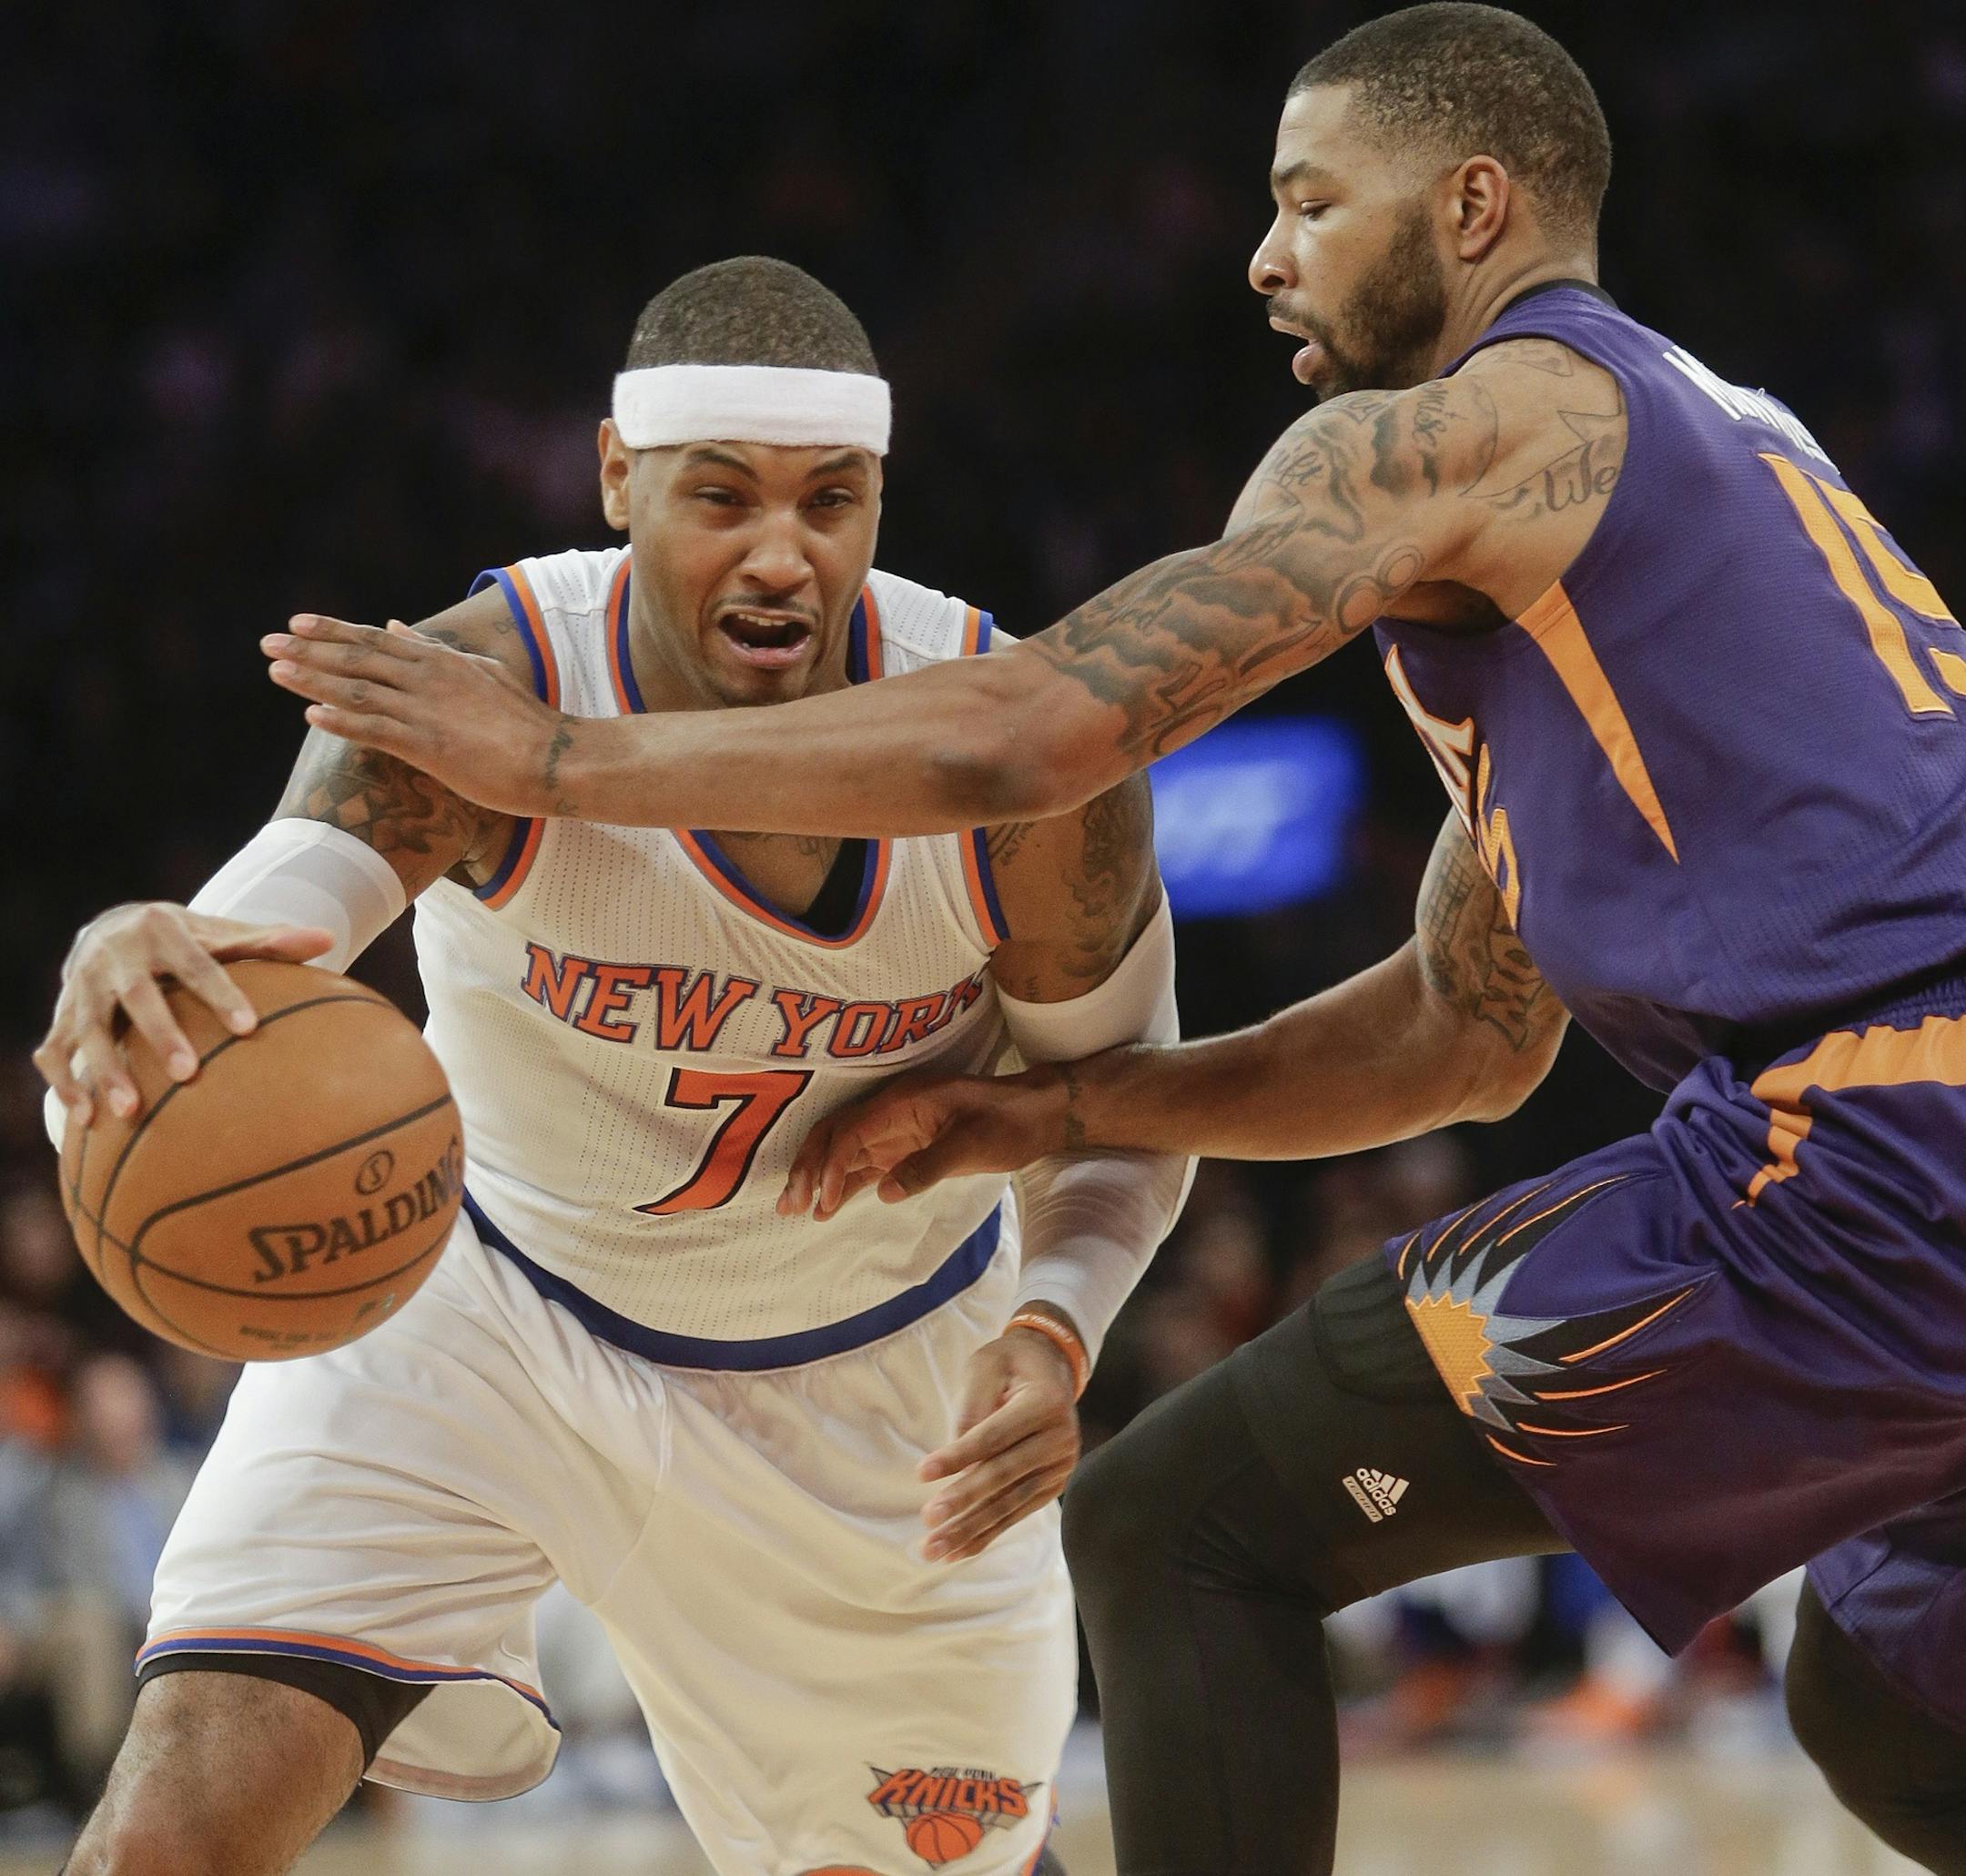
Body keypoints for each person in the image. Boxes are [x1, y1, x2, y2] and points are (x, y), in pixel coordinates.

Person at [260, 7, 1966, 1872]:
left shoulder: (1478, 423)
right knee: (1886, 1694)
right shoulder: (1680, 488)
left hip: (1886, 1139)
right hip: (1901, 1129)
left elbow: (1033, 730)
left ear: (1474, 205)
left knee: (1181, 1525)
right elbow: (1467, 1033)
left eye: (1313, 201)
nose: (1265, 256)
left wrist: (561, 756)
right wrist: (1054, 1115)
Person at [36, 257, 1191, 1876]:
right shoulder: (483, 686)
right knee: (162, 1844)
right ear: (613, 480)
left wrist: (1061, 1330)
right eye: (719, 495)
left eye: (831, 499)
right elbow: (261, 934)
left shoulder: (1024, 758)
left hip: (876, 1387)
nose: (782, 551)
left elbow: (1129, 1107)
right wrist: (138, 959)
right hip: (477, 1311)